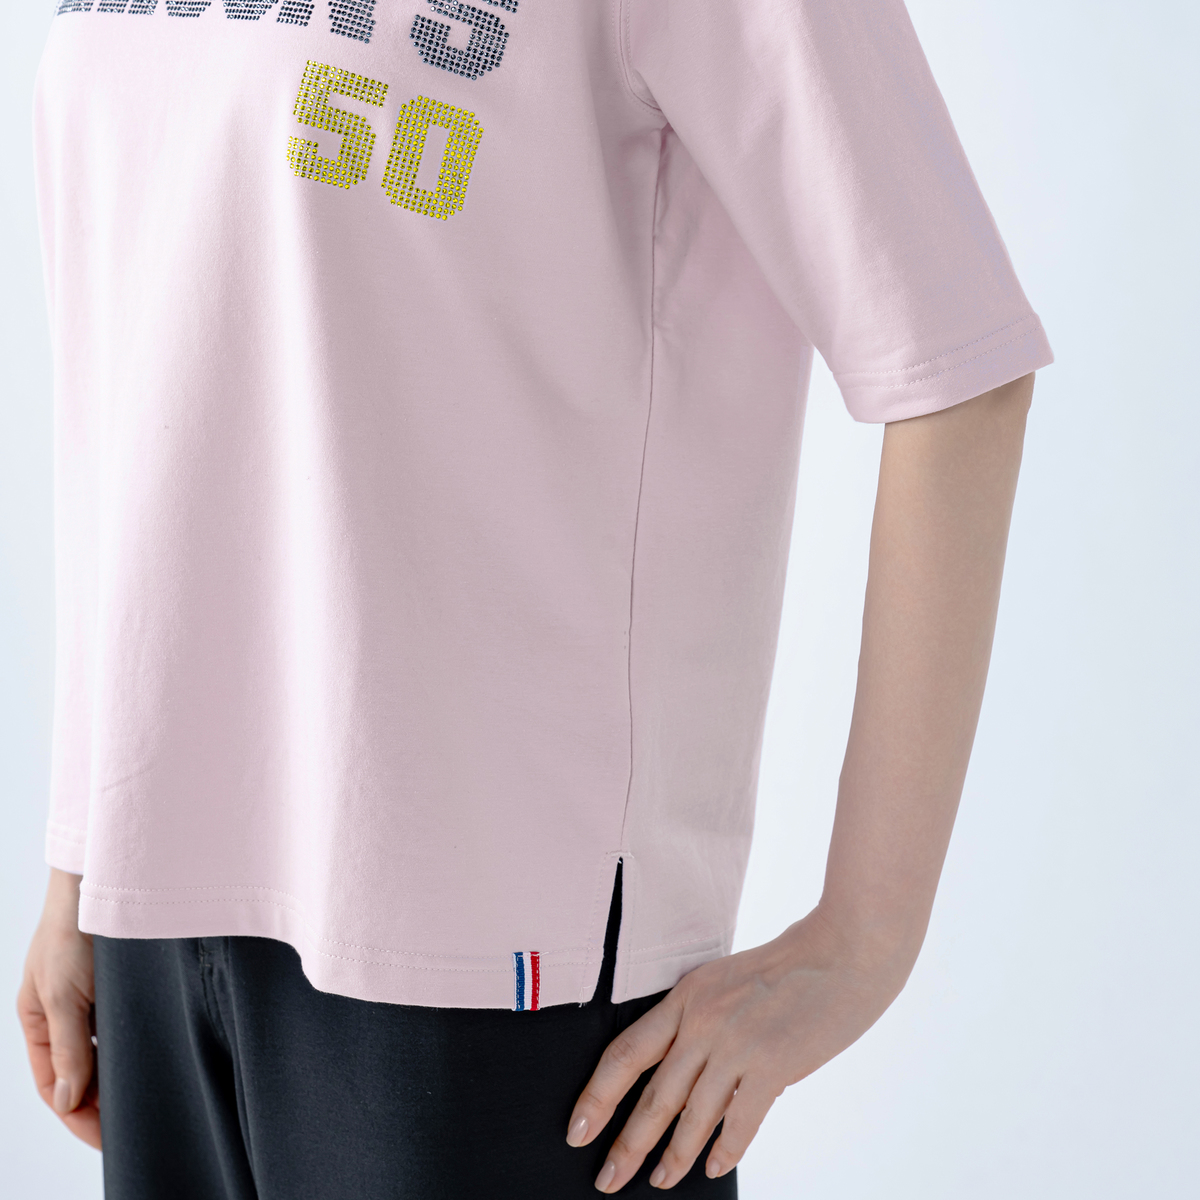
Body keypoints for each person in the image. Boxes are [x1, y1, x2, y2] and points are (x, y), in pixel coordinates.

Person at [18, 1, 1052, 1196]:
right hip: (152, 899)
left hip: (485, 951)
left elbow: (955, 367)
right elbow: (143, 344)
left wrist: (858, 944)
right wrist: (81, 853)